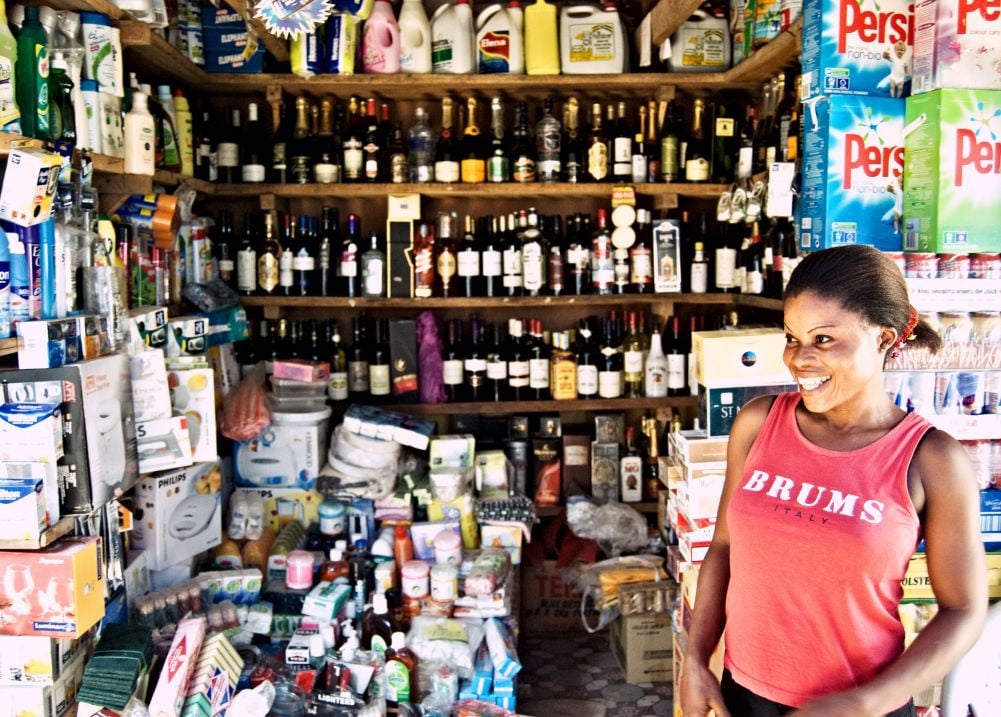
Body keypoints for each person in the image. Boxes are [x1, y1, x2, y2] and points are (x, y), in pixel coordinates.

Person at [680, 245, 987, 716]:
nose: (799, 359)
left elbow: (964, 610)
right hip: (743, 696)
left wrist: (865, 703)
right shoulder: (758, 424)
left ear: (883, 338)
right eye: (791, 337)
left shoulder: (931, 459)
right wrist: (696, 660)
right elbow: (723, 547)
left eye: (824, 339)